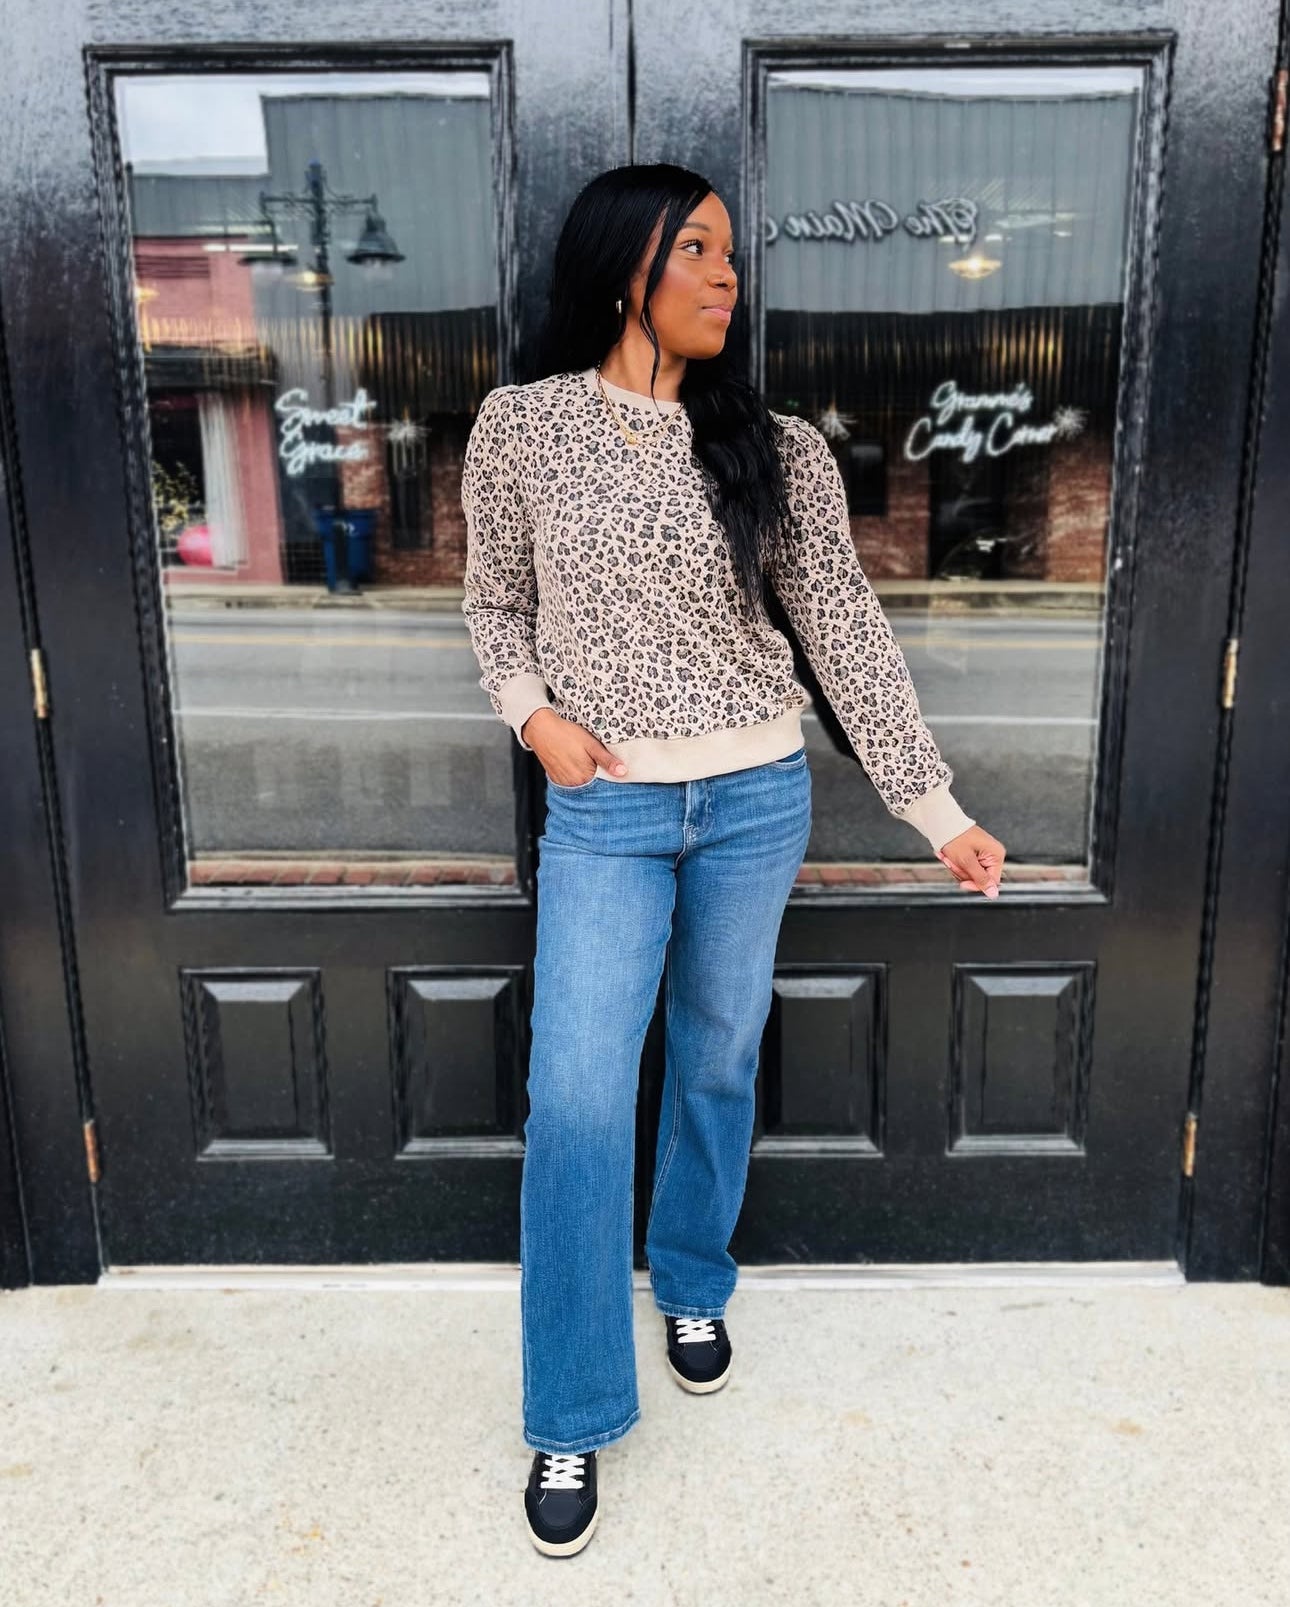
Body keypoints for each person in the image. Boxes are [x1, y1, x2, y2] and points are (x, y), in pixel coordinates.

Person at [460, 162, 1008, 1557]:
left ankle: (692, 1274)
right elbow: (494, 601)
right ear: (622, 269)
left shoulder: (776, 445)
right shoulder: (523, 426)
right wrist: (532, 715)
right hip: (607, 812)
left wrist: (931, 805)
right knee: (578, 1098)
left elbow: (842, 627)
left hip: (757, 800)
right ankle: (571, 1411)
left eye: (727, 253)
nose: (725, 276)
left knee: (714, 1058)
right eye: (694, 251)